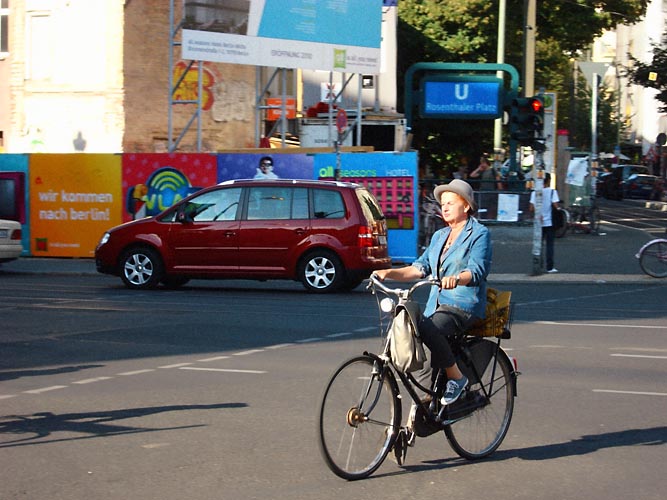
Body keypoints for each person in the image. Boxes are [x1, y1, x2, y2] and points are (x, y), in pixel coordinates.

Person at [374, 179, 492, 407]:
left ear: (466, 206)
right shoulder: (440, 237)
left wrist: (457, 278)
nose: (444, 207)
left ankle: (457, 378)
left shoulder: (479, 234)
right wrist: (387, 272)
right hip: (437, 306)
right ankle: (425, 406)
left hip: (463, 304)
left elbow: (477, 270)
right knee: (416, 336)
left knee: (424, 326)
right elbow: (419, 268)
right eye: (443, 203)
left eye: (450, 203)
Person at [529, 172, 560, 273]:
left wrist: (538, 213)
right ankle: (550, 267)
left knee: (539, 245)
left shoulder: (535, 192)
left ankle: (538, 265)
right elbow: (556, 206)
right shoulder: (552, 192)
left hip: (539, 222)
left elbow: (531, 208)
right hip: (550, 222)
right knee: (550, 245)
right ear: (549, 181)